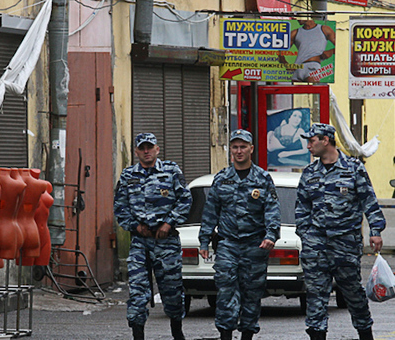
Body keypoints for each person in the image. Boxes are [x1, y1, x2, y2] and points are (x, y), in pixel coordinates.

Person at [296, 123, 386, 340]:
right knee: (316, 297)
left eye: (312, 140)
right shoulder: (309, 173)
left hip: (345, 245)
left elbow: (369, 202)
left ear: (325, 140)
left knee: (354, 296)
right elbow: (301, 209)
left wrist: (376, 231)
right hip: (316, 248)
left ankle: (365, 333)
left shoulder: (354, 168)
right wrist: (307, 236)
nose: (308, 145)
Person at [198, 129, 281, 340]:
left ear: (251, 149)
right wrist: (204, 241)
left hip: (255, 245)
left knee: (252, 294)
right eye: (235, 147)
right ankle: (225, 334)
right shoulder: (222, 179)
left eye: (243, 146)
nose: (239, 151)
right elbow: (210, 211)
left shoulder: (262, 178)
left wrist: (271, 235)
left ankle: (247, 335)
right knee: (225, 291)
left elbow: (272, 210)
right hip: (228, 245)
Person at [114, 133, 192, 340]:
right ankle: (138, 335)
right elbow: (120, 208)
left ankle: (177, 331)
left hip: (167, 243)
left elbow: (185, 201)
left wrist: (169, 223)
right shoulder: (128, 176)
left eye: (150, 147)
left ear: (157, 149)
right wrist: (136, 227)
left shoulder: (171, 171)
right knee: (138, 292)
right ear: (137, 151)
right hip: (140, 242)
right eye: (142, 148)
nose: (146, 151)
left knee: (172, 292)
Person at [279, 18, 336, 83]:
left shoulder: (324, 29)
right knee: (294, 92)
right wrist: (286, 64)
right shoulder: (295, 32)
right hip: (297, 69)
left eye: (299, 16)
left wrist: (331, 51)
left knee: (314, 91)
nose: (296, 19)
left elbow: (341, 45)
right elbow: (280, 51)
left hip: (312, 66)